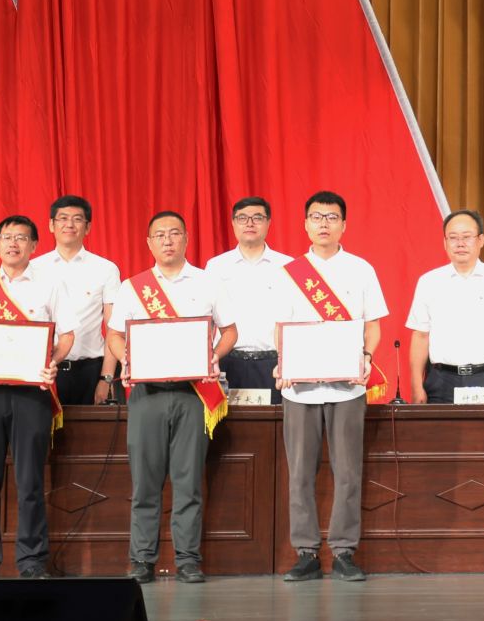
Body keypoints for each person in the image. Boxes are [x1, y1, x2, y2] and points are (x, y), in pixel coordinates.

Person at [108, 210, 236, 583]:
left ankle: (188, 560)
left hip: (192, 393)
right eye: (160, 234)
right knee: (145, 483)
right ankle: (142, 559)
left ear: (186, 239)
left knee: (188, 480)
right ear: (149, 243)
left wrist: (213, 356)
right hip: (146, 393)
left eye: (174, 233)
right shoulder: (133, 287)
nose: (167, 240)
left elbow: (230, 331)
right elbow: (114, 335)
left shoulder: (208, 283)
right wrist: (125, 359)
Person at [0, 215, 74, 580]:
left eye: (21, 238)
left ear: (34, 246)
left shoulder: (50, 285)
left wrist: (52, 362)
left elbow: (67, 335)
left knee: (30, 481)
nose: (13, 244)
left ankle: (32, 561)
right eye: (7, 237)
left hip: (30, 394)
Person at [276, 190, 388, 584]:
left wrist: (367, 358)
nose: (324, 223)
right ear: (305, 223)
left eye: (331, 217)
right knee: (299, 474)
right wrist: (284, 361)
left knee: (348, 473)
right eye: (316, 216)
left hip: (347, 389)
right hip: (299, 390)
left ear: (344, 224)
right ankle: (305, 552)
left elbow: (373, 326)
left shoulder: (361, 270)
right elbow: (281, 327)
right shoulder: (289, 273)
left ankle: (343, 551)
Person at [405, 209, 484, 404]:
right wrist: (416, 385)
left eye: (467, 237)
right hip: (442, 381)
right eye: (453, 238)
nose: (460, 243)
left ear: (481, 240)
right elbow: (420, 336)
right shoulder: (429, 282)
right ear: (445, 242)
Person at [28, 194, 121, 407]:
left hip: (90, 370)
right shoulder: (33, 269)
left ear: (87, 227)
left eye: (77, 219)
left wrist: (106, 378)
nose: (69, 224)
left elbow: (113, 328)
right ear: (51, 225)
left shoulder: (105, 269)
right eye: (62, 218)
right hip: (44, 370)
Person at [207, 196, 293, 400]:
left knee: (274, 420)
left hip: (274, 365)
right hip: (227, 363)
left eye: (257, 218)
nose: (250, 223)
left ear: (269, 222)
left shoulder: (287, 266)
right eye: (242, 218)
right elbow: (207, 317)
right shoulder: (216, 266)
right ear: (233, 223)